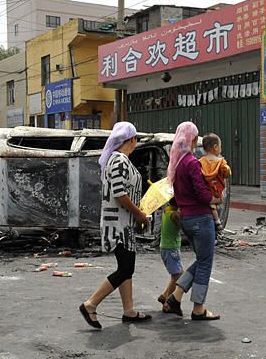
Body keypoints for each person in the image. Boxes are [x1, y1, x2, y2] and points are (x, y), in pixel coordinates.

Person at [79, 122, 152, 329]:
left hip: (122, 222)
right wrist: (140, 215)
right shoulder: (119, 160)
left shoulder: (116, 159)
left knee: (125, 268)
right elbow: (120, 193)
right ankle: (91, 304)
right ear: (132, 140)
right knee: (126, 268)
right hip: (119, 224)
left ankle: (128, 310)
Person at [163, 121, 222, 321]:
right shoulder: (192, 162)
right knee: (205, 263)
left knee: (202, 259)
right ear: (192, 139)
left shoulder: (177, 164)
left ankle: (175, 297)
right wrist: (214, 199)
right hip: (201, 218)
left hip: (186, 219)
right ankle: (198, 308)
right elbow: (201, 191)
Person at [199, 133, 232, 233]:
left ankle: (216, 221)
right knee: (215, 204)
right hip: (217, 190)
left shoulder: (200, 161)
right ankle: (217, 222)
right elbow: (227, 173)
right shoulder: (221, 162)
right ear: (215, 147)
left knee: (211, 206)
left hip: (207, 190)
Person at [157, 198, 183, 309]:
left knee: (178, 274)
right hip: (171, 248)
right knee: (177, 275)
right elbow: (183, 226)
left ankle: (164, 295)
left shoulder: (166, 211)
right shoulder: (174, 215)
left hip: (167, 247)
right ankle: (167, 300)